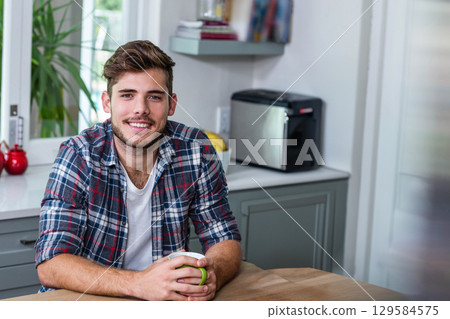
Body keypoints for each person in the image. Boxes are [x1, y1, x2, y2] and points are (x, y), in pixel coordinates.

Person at [35, 40, 241, 301]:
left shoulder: (196, 150)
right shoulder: (78, 155)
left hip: (166, 300)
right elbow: (51, 264)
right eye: (127, 95)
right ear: (107, 102)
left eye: (154, 96)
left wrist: (215, 275)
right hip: (87, 300)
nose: (140, 109)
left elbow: (224, 237)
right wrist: (139, 284)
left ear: (172, 104)